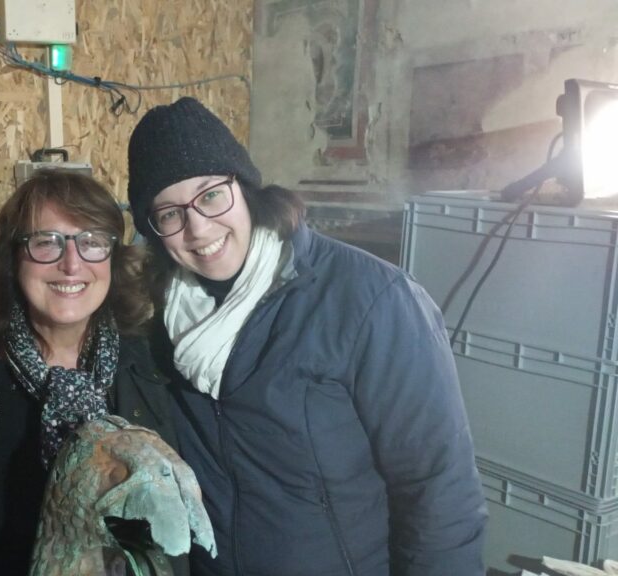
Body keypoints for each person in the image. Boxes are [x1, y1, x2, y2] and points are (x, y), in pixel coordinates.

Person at [125, 97, 488, 576]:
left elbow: (439, 489)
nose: (198, 227)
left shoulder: (371, 301)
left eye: (210, 195)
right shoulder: (163, 320)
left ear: (245, 188)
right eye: (170, 213)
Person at [0, 170, 188, 575]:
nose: (71, 264)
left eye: (92, 242)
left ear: (113, 258)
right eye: (46, 242)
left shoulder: (155, 366)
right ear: (13, 258)